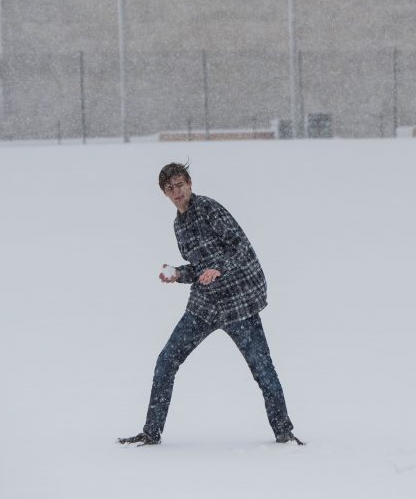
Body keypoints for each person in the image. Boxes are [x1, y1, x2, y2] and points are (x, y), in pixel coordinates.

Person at [119, 162, 302, 446]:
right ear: (165, 194)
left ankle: (284, 433)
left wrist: (219, 268)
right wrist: (180, 274)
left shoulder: (210, 209)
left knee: (263, 370)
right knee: (166, 361)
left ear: (190, 183)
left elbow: (240, 247)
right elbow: (199, 268)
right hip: (205, 305)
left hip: (239, 302)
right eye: (170, 189)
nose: (177, 192)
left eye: (180, 185)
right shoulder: (179, 226)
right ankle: (151, 433)